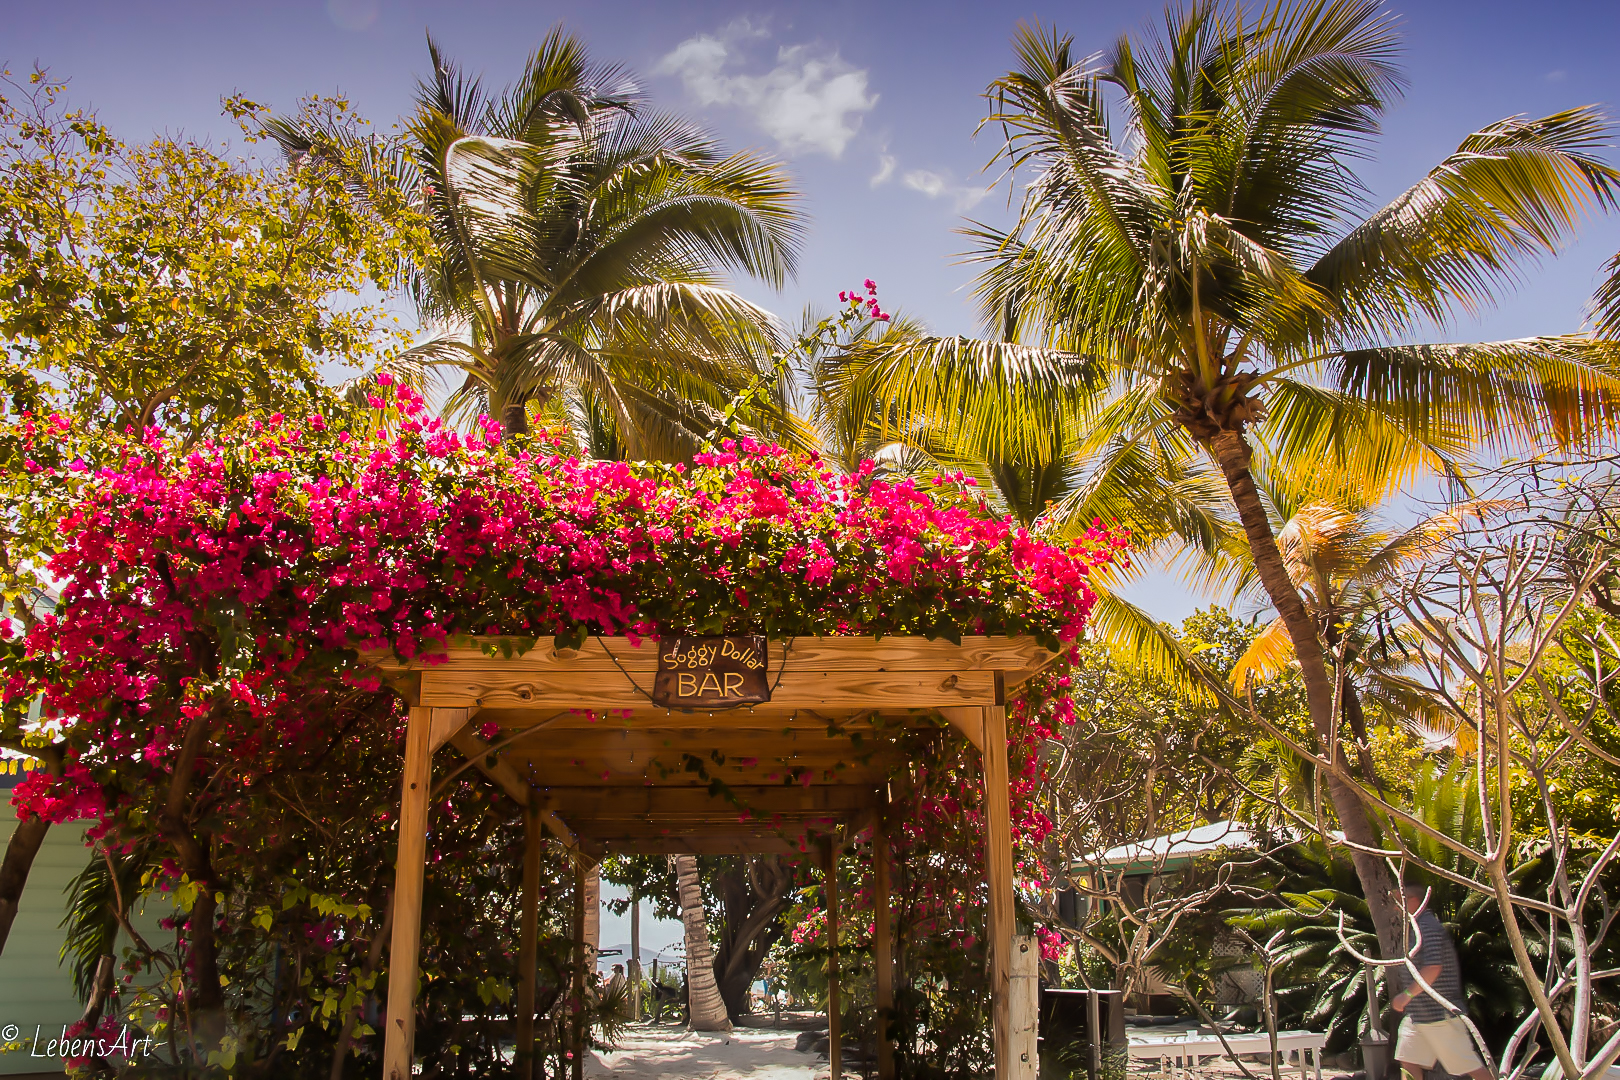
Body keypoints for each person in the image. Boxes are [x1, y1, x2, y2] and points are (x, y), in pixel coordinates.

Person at [1390, 885, 1493, 1080]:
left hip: (1440, 1014)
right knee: (1408, 1059)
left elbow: (1433, 967)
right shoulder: (1417, 925)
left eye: (1397, 900)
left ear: (1413, 900)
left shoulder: (1427, 927)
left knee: (1470, 1066)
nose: (1395, 907)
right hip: (1419, 1015)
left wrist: (1407, 995)